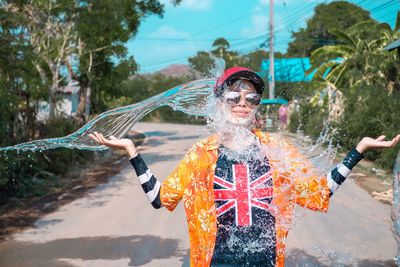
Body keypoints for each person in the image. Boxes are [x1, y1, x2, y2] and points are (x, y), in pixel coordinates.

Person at [89, 67, 400, 267]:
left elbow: (319, 193)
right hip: (216, 261)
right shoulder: (202, 153)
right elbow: (161, 198)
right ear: (220, 102)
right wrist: (132, 152)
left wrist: (357, 151)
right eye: (234, 96)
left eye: (251, 98)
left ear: (257, 107)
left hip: (266, 260)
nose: (241, 103)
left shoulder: (277, 150)